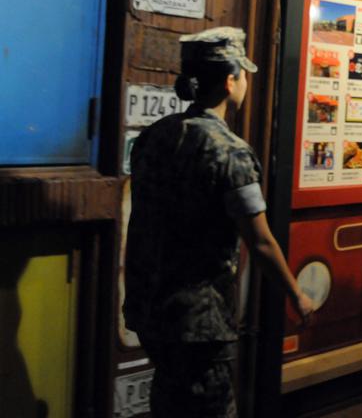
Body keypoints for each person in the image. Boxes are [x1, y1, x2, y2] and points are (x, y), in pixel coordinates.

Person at [123, 27, 314, 418]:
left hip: (151, 310)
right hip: (200, 322)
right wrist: (296, 294)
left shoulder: (154, 137)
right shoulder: (230, 152)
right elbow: (260, 241)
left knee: (169, 404)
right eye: (243, 75)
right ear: (231, 81)